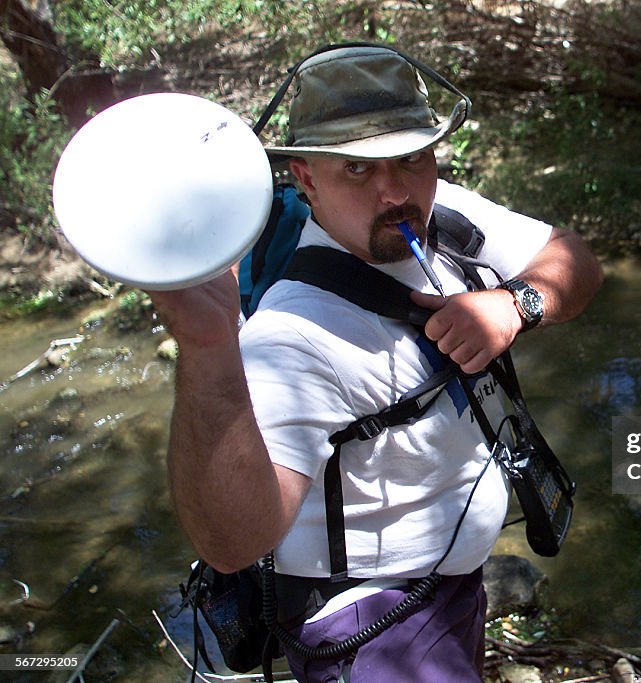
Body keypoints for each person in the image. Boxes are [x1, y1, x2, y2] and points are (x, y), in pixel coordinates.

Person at [148, 44, 603, 682]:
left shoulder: (447, 215)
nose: (393, 190)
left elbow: (573, 258)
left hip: (451, 590)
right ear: (306, 179)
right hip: (370, 626)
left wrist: (515, 304)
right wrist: (206, 350)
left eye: (411, 157)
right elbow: (231, 543)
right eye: (357, 170)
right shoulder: (295, 334)